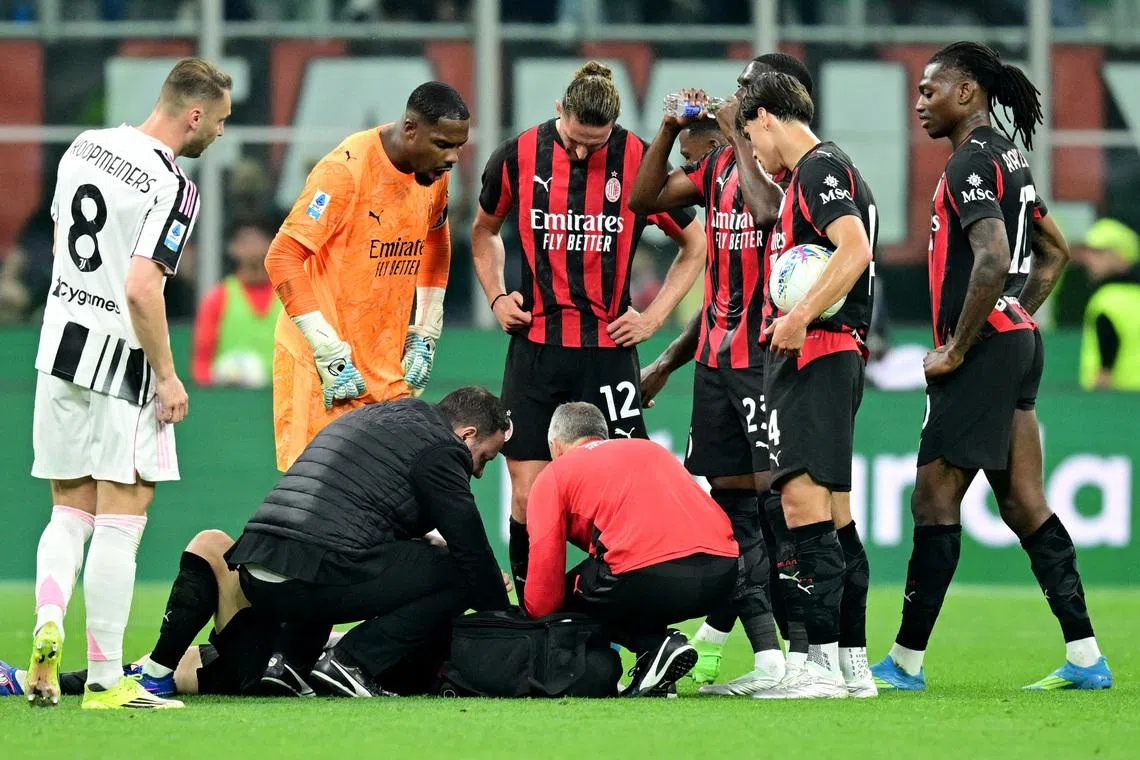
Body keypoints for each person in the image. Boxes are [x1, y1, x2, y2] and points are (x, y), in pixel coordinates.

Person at [872, 42, 1112, 692]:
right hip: (1015, 342)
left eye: (931, 90)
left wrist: (957, 348)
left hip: (982, 350)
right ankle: (1087, 657)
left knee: (933, 498)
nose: (919, 101)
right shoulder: (1010, 155)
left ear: (968, 92)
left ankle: (905, 663)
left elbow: (993, 254)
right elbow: (1054, 252)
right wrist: (1017, 316)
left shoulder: (971, 163)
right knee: (1023, 502)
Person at [26, 57, 231, 710]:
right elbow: (143, 286)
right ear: (194, 115)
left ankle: (47, 625)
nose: (221, 135)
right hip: (122, 360)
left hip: (59, 349)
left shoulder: (86, 146)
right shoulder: (174, 186)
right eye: (221, 122)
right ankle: (107, 681)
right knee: (122, 517)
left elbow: (62, 246)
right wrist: (168, 378)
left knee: (68, 509)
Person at [472, 61, 705, 605]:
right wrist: (497, 296)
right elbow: (484, 233)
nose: (580, 153)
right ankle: (534, 616)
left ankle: (620, 613)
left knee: (624, 496)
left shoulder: (639, 159)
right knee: (528, 495)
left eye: (594, 145)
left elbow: (696, 244)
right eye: (574, 140)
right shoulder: (516, 156)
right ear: (560, 111)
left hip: (608, 354)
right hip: (536, 349)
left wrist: (653, 316)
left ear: (615, 128)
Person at [632, 53, 819, 697]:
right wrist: (663, 129)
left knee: (780, 512)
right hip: (715, 365)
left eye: (743, 92)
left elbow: (765, 211)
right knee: (733, 513)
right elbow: (642, 198)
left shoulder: (790, 173)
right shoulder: (712, 169)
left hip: (769, 363)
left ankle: (802, 656)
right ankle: (768, 659)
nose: (727, 99)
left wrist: (737, 131)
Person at [224, 386, 513, 698]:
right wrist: (504, 624)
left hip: (257, 566)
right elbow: (470, 549)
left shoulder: (380, 416)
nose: (480, 472)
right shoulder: (442, 447)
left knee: (345, 552)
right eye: (485, 457)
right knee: (460, 573)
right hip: (311, 571)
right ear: (467, 435)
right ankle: (350, 662)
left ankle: (288, 664)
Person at [738, 72, 879, 699]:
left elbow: (855, 250)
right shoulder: (826, 170)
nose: (755, 154)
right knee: (837, 514)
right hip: (831, 353)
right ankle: (851, 661)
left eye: (750, 135)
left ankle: (816, 664)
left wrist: (796, 316)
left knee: (803, 507)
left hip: (819, 350)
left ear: (765, 117)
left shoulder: (819, 170)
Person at [266, 81, 466, 471]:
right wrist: (327, 349)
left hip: (385, 369)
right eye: (444, 144)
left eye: (459, 146)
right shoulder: (344, 173)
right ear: (411, 129)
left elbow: (437, 246)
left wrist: (426, 332)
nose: (454, 158)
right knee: (319, 503)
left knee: (390, 498)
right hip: (323, 371)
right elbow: (282, 256)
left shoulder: (434, 171)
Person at [523, 402, 739, 697]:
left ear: (555, 446)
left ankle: (655, 646)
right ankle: (658, 670)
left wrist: (534, 619)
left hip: (651, 580)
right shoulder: (649, 450)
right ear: (604, 434)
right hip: (723, 576)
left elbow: (543, 595)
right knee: (625, 566)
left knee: (569, 595)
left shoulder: (555, 473)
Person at [191, 217, 282, 388]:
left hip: (281, 396)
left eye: (259, 240)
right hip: (232, 397)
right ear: (233, 248)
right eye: (246, 242)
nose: (253, 248)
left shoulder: (288, 293)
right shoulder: (218, 296)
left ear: (272, 243)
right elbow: (201, 362)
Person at [1077, 218, 1140, 391]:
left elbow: (1105, 366)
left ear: (1121, 256)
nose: (1089, 259)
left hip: (1115, 403)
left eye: (1099, 252)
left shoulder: (1105, 299)